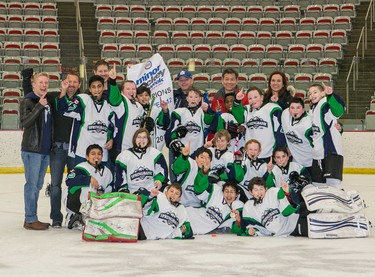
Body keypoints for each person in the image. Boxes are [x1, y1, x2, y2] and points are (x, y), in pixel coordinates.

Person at [22, 69, 81, 227]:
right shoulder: (52, 97)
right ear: (64, 82)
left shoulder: (82, 100)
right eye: (68, 81)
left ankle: (73, 215)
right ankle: (51, 218)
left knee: (41, 184)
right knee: (50, 185)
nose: (71, 84)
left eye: (75, 82)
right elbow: (31, 98)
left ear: (79, 85)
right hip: (50, 149)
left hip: (64, 150)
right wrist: (26, 79)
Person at [57, 75, 116, 166]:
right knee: (81, 179)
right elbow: (63, 108)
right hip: (83, 153)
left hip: (102, 153)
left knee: (100, 179)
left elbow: (112, 126)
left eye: (99, 86)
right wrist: (64, 90)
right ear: (90, 89)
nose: (96, 90)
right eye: (93, 87)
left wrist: (110, 138)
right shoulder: (84, 99)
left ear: (103, 87)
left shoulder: (109, 105)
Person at [20, 72, 53, 230]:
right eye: (41, 82)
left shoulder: (48, 101)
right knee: (32, 185)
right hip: (32, 150)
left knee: (38, 185)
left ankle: (31, 216)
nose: (44, 85)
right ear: (34, 84)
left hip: (44, 151)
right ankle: (30, 219)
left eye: (46, 82)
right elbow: (25, 122)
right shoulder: (29, 100)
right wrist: (39, 106)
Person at [65, 144, 113, 230]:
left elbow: (109, 190)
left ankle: (85, 217)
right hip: (75, 201)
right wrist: (88, 179)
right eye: (93, 154)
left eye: (99, 154)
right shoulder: (81, 167)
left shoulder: (107, 172)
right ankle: (74, 214)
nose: (96, 156)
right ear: (87, 157)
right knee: (87, 188)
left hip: (96, 205)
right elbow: (69, 181)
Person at [240, 177, 307, 237]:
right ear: (250, 192)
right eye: (256, 190)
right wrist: (251, 231)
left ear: (266, 189)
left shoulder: (271, 193)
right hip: (291, 229)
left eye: (261, 189)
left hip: (294, 217)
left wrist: (287, 192)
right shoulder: (249, 207)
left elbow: (287, 210)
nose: (259, 192)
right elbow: (252, 227)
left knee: (310, 205)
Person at [233, 86, 286, 162]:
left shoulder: (272, 108)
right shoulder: (247, 109)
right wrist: (237, 101)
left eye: (255, 97)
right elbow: (240, 118)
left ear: (262, 97)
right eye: (250, 98)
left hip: (269, 154)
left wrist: (279, 149)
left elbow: (279, 130)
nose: (253, 100)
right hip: (251, 154)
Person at [308, 83, 345, 188]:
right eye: (310, 93)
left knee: (333, 185)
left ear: (323, 93)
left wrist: (330, 96)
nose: (312, 95)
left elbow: (338, 111)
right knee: (317, 185)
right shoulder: (312, 110)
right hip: (317, 155)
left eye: (315, 92)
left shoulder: (325, 103)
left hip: (331, 152)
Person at [114, 128, 169, 196]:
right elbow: (120, 178)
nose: (142, 140)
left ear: (148, 139)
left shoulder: (155, 153)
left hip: (153, 193)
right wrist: (124, 191)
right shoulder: (123, 156)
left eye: (144, 137)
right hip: (133, 194)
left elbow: (161, 171)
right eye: (139, 137)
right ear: (134, 139)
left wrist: (159, 180)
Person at [167, 86, 213, 158]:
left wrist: (208, 110)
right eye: (191, 97)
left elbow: (208, 123)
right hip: (183, 152)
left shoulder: (202, 113)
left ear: (200, 99)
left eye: (196, 97)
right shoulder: (179, 112)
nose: (193, 99)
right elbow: (172, 130)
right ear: (187, 98)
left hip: (199, 153)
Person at [171, 143, 212, 208]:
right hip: (179, 203)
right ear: (196, 158)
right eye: (202, 157)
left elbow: (200, 190)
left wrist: (204, 172)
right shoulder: (189, 163)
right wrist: (184, 157)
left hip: (197, 208)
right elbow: (177, 169)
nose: (204, 160)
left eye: (207, 158)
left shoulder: (211, 175)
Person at [281, 97, 313, 171]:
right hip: (296, 162)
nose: (295, 111)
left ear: (303, 109)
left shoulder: (308, 124)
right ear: (289, 110)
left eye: (298, 108)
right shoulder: (285, 114)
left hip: (311, 161)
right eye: (292, 108)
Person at [136, 85, 171, 151]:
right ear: (136, 98)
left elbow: (164, 125)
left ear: (150, 97)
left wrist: (165, 110)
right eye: (140, 95)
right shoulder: (133, 109)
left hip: (150, 145)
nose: (144, 97)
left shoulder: (155, 110)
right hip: (136, 144)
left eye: (146, 95)